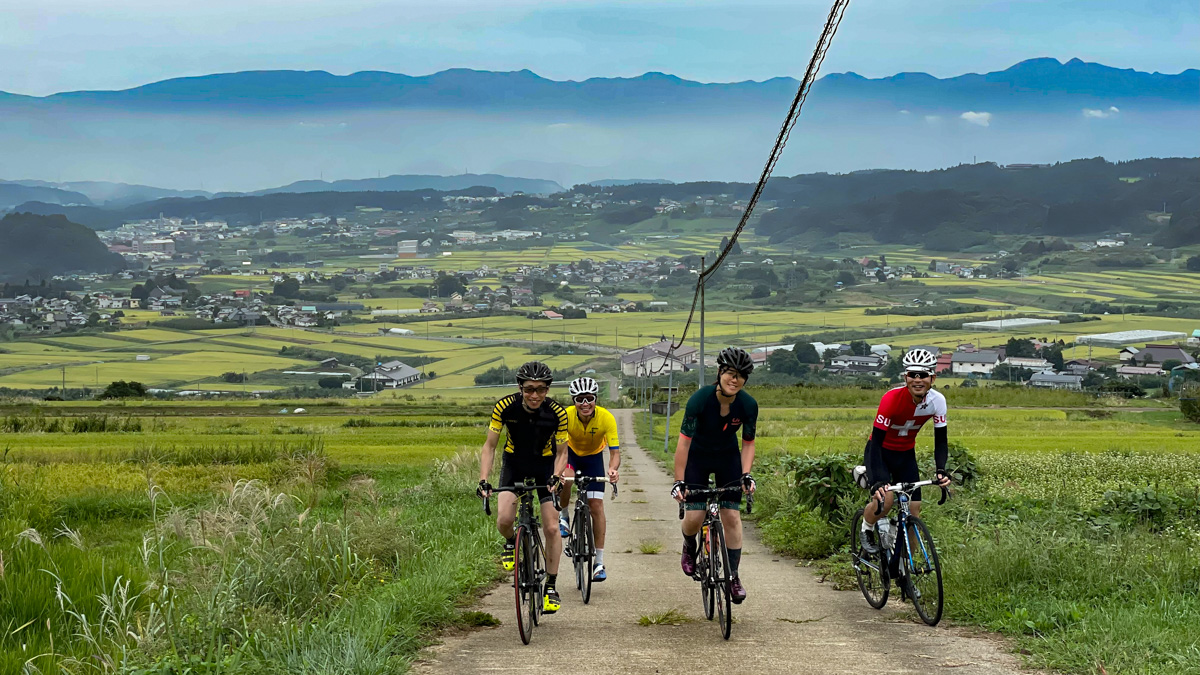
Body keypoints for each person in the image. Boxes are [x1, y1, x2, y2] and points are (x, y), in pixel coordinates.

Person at [477, 361, 570, 614]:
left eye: (541, 389)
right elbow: (490, 446)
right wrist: (483, 479)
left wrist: (556, 475)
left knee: (551, 527)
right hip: (514, 464)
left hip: (545, 466)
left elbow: (563, 452)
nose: (534, 395)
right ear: (520, 387)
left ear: (547, 390)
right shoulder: (504, 407)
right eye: (529, 389)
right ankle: (510, 543)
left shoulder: (557, 413)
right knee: (505, 518)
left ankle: (550, 585)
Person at [671, 346, 758, 604]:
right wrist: (679, 480)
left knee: (731, 515)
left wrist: (746, 474)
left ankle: (733, 577)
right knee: (695, 515)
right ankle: (689, 545)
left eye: (741, 376)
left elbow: (748, 444)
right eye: (730, 373)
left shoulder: (748, 405)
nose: (735, 379)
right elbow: (684, 443)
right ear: (719, 373)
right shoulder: (700, 400)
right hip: (697, 455)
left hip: (727, 456)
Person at [858, 348, 953, 555]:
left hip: (906, 454)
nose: (918, 380)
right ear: (905, 377)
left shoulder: (937, 401)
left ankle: (905, 571)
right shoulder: (891, 399)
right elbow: (876, 443)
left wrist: (941, 470)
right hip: (880, 453)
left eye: (923, 375)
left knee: (914, 511)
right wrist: (878, 480)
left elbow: (941, 441)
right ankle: (866, 528)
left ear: (933, 377)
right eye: (913, 375)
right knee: (887, 501)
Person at [557, 376, 620, 582]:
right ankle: (564, 516)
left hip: (594, 457)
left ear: (596, 398)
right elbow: (561, 452)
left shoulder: (606, 418)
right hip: (571, 455)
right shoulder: (565, 417)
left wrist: (612, 470)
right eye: (580, 399)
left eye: (589, 398)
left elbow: (615, 452)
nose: (585, 403)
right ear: (574, 400)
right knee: (566, 479)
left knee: (596, 506)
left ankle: (599, 562)